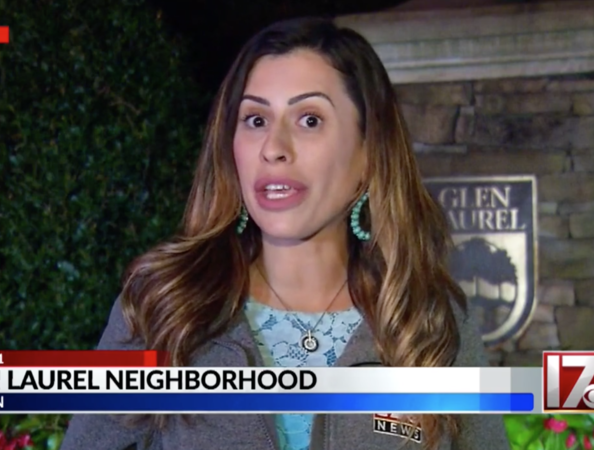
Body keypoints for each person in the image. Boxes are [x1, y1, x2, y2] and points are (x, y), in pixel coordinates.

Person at [60, 16, 511, 450]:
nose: (273, 148)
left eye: (309, 119)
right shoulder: (161, 307)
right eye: (255, 120)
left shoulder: (431, 320)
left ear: (368, 153)